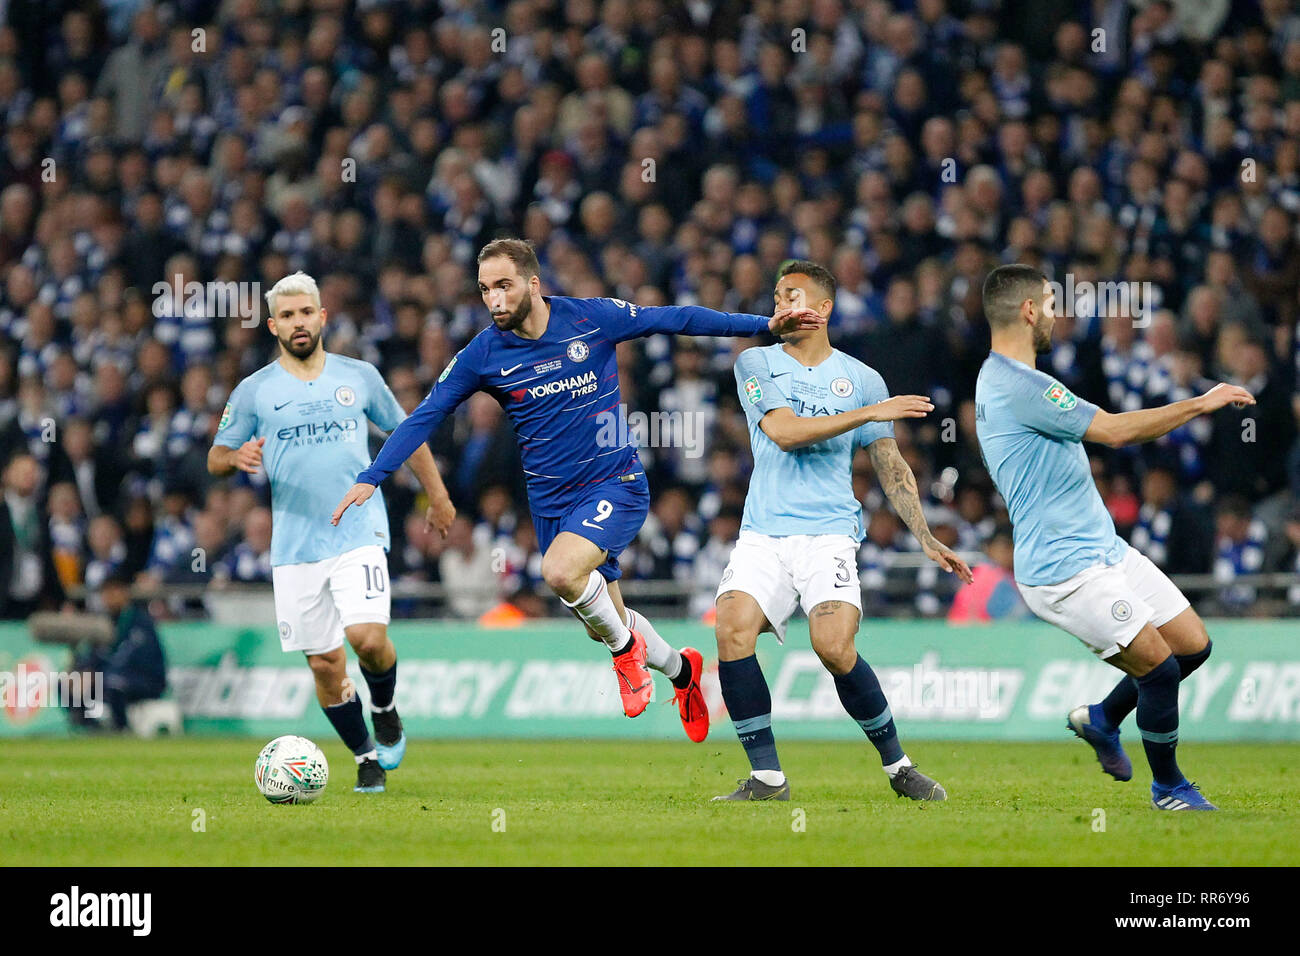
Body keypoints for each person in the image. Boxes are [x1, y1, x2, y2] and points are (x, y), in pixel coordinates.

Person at [332, 238, 825, 742]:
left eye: (504, 286)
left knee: (561, 573)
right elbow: (426, 417)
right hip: (552, 504)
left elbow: (675, 318)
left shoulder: (592, 319)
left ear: (532, 283)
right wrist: (372, 476)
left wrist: (761, 326)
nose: (495, 300)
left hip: (616, 483)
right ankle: (683, 670)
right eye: (484, 290)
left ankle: (625, 655)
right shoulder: (483, 354)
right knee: (601, 619)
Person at [975, 264, 1255, 811]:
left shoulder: (999, 379)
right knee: (1160, 668)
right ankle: (1169, 787)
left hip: (1103, 549)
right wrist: (1201, 401)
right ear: (1028, 311)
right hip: (1064, 568)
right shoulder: (1020, 385)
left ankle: (1103, 719)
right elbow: (1116, 432)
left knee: (1192, 647)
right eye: (1051, 304)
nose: (1056, 315)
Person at [710, 260, 972, 802]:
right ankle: (767, 778)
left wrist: (925, 536)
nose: (782, 305)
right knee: (731, 629)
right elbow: (784, 433)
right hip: (763, 533)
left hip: (828, 533)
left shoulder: (861, 379)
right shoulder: (755, 362)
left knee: (832, 646)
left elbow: (891, 467)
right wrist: (868, 412)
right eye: (778, 296)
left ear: (824, 309)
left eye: (794, 296)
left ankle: (899, 768)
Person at [209, 272, 455, 793]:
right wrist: (236, 456)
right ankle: (366, 756)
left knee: (367, 639)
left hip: (357, 528)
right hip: (296, 546)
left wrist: (438, 495)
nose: (299, 323)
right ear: (274, 325)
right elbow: (214, 457)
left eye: (307, 313)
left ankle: (385, 708)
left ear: (322, 317)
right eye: (288, 316)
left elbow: (405, 434)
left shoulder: (359, 376)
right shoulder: (254, 391)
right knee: (325, 663)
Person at [68, 570, 167, 731]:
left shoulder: (140, 621)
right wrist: (84, 670)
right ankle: (88, 727)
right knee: (69, 681)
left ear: (125, 593)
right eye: (105, 592)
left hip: (144, 679)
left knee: (114, 683)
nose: (109, 596)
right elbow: (93, 655)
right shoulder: (102, 621)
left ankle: (121, 729)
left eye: (114, 591)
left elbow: (139, 658)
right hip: (111, 676)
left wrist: (102, 672)